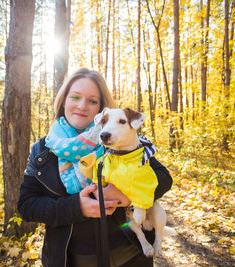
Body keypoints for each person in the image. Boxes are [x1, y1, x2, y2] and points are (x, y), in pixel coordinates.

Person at [18, 68, 172, 267]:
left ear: (101, 107)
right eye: (75, 97)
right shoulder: (42, 150)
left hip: (132, 255)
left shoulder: (120, 140)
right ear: (64, 100)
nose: (82, 106)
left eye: (92, 101)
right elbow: (26, 205)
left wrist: (127, 194)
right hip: (70, 260)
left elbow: (164, 177)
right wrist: (76, 207)